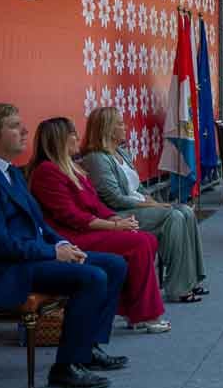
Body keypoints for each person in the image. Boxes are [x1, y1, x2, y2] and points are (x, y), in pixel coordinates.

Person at [0, 103, 127, 388]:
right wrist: (53, 253)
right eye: (15, 126)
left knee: (114, 264)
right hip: (1, 270)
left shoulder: (11, 172)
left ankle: (87, 349)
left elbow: (39, 224)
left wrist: (64, 244)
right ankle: (65, 367)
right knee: (92, 276)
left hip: (26, 258)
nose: (25, 131)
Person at [27, 117, 168, 335]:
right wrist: (113, 227)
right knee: (139, 243)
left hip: (87, 229)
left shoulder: (72, 167)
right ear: (59, 139)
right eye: (72, 133)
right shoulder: (47, 171)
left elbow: (96, 204)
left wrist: (117, 220)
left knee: (145, 239)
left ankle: (133, 309)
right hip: (69, 236)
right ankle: (145, 314)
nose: (76, 137)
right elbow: (71, 216)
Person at [81, 106, 209, 304]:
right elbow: (114, 199)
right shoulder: (97, 159)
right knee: (173, 216)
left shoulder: (121, 153)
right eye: (120, 123)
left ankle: (192, 279)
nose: (125, 127)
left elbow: (138, 188)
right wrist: (152, 206)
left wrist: (153, 201)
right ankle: (178, 287)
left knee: (185, 211)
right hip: (120, 213)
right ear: (107, 129)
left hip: (138, 206)